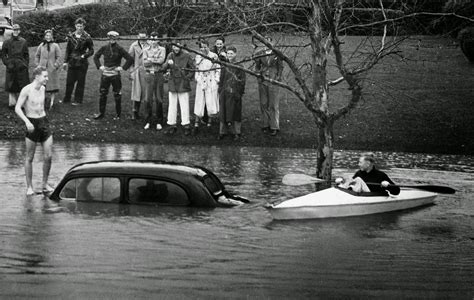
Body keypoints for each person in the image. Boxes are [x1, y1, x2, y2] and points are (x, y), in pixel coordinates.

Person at [14, 66, 53, 196]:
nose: (47, 78)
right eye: (45, 76)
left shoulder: (42, 88)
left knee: (48, 156)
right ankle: (29, 187)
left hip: (44, 122)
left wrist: (44, 119)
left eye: (47, 76)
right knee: (29, 157)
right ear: (37, 76)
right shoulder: (26, 90)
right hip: (31, 123)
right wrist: (27, 122)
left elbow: (40, 107)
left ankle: (44, 184)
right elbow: (17, 108)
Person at [92, 31, 133, 120]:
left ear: (116, 39)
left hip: (115, 75)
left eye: (114, 38)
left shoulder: (120, 49)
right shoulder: (104, 48)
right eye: (110, 38)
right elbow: (96, 57)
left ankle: (118, 114)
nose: (112, 40)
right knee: (103, 94)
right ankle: (101, 113)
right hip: (105, 74)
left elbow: (130, 59)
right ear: (108, 38)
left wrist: (122, 68)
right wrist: (100, 66)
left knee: (117, 94)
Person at [163, 41, 195, 135]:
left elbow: (192, 68)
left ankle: (186, 125)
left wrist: (187, 78)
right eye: (174, 46)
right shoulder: (170, 55)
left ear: (181, 46)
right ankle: (172, 125)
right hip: (173, 82)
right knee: (172, 105)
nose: (176, 48)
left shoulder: (187, 55)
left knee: (184, 105)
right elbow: (164, 67)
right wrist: (167, 64)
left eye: (178, 46)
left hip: (183, 83)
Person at [254, 36, 283, 136]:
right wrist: (258, 75)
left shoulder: (277, 53)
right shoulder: (259, 53)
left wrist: (277, 78)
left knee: (273, 105)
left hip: (273, 80)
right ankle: (265, 124)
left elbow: (280, 67)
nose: (266, 45)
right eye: (264, 43)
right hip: (263, 80)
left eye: (268, 42)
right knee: (264, 103)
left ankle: (274, 126)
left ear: (272, 43)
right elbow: (257, 66)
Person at [62, 18, 94, 105]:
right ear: (75, 26)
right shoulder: (71, 36)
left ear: (84, 26)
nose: (79, 28)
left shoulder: (87, 37)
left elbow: (91, 50)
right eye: (78, 26)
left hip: (82, 63)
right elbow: (68, 50)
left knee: (80, 82)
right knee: (69, 82)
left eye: (81, 26)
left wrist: (84, 55)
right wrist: (65, 62)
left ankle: (78, 100)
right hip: (72, 61)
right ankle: (67, 99)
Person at [217, 46, 246, 141]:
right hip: (225, 92)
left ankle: (236, 132)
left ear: (235, 54)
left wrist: (239, 92)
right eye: (228, 53)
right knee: (223, 112)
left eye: (231, 54)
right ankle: (222, 132)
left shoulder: (239, 66)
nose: (229, 55)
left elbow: (242, 80)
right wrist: (220, 90)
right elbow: (221, 78)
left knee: (235, 112)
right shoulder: (224, 65)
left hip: (234, 92)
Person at [193, 39, 220, 134]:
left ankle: (209, 122)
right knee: (199, 101)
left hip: (211, 80)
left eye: (205, 47)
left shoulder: (214, 56)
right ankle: (196, 123)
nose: (203, 49)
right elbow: (197, 69)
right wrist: (198, 79)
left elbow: (218, 68)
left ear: (208, 46)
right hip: (201, 80)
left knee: (210, 101)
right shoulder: (198, 56)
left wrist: (216, 80)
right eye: (202, 47)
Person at [142, 31, 166, 130]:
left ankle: (159, 121)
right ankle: (148, 121)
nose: (153, 41)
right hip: (149, 75)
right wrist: (154, 59)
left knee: (159, 99)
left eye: (155, 39)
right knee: (147, 99)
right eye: (151, 39)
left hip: (159, 75)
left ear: (158, 40)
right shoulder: (145, 49)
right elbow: (145, 63)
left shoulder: (162, 49)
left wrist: (150, 59)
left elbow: (161, 61)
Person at [2, 24, 29, 109]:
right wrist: (7, 63)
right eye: (14, 30)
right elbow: (3, 54)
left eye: (17, 30)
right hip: (11, 66)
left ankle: (22, 103)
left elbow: (26, 54)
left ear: (19, 31)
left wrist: (25, 64)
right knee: (11, 84)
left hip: (21, 66)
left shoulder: (23, 41)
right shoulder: (7, 42)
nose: (16, 32)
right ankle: (12, 103)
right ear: (12, 31)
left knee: (22, 85)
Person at [35, 29, 61, 109]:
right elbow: (37, 55)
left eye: (50, 35)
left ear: (52, 36)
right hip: (42, 69)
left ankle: (51, 103)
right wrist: (38, 65)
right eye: (47, 35)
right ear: (44, 36)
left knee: (52, 87)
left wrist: (55, 65)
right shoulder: (41, 45)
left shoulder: (55, 46)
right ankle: (42, 102)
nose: (48, 37)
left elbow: (58, 57)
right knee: (42, 86)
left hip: (51, 69)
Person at [128, 32, 147, 120]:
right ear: (138, 37)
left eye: (144, 37)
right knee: (136, 92)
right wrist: (131, 72)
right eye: (141, 37)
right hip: (137, 71)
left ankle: (147, 113)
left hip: (146, 71)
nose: (143, 39)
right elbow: (130, 60)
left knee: (146, 93)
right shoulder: (133, 45)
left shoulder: (149, 44)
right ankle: (134, 111)